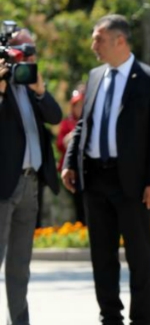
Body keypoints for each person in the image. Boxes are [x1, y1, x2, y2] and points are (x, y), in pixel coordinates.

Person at [62, 15, 150, 325]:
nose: (94, 45)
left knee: (139, 253)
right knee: (102, 254)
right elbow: (83, 125)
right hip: (95, 177)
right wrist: (69, 162)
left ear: (119, 40)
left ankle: (142, 323)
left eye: (99, 39)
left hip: (133, 182)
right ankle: (111, 322)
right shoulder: (95, 77)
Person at [0, 29, 62, 325]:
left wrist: (40, 90)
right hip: (3, 184)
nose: (26, 57)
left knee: (20, 261)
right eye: (19, 50)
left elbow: (56, 116)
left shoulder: (30, 84)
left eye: (31, 51)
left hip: (29, 181)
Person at [57, 84, 87, 224]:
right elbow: (60, 144)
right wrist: (72, 137)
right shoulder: (66, 123)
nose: (79, 108)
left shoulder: (89, 121)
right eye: (77, 105)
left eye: (82, 104)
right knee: (78, 204)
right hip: (73, 169)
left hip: (87, 167)